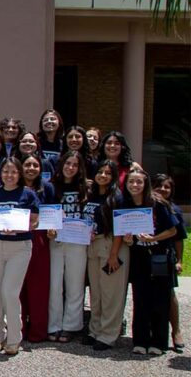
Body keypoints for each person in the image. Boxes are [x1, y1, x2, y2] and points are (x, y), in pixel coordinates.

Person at [0, 157, 39, 356]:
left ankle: (14, 338)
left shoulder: (28, 194)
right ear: (0, 174)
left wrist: (18, 226)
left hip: (20, 247)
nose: (9, 175)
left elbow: (34, 221)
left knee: (9, 291)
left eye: (13, 172)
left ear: (19, 174)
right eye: (6, 171)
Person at [122, 169, 177, 356]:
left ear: (145, 185)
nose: (135, 185)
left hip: (159, 257)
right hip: (139, 258)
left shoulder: (157, 204)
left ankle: (159, 342)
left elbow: (173, 230)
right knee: (140, 299)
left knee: (160, 300)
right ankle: (140, 340)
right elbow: (125, 236)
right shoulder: (126, 205)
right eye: (131, 182)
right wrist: (128, 240)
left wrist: (154, 238)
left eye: (139, 182)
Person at [83, 160, 127, 350]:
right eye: (100, 172)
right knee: (97, 292)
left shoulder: (117, 197)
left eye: (108, 173)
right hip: (93, 246)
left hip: (111, 246)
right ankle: (95, 330)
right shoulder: (91, 195)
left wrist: (114, 255)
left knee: (111, 293)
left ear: (114, 176)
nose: (103, 176)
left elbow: (119, 228)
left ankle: (108, 335)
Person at [48, 150, 89, 342]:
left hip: (78, 241)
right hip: (56, 240)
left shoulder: (86, 188)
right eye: (67, 164)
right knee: (55, 284)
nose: (70, 168)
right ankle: (54, 325)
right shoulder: (51, 187)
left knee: (75, 284)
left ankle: (71, 326)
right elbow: (45, 212)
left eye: (74, 165)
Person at [17, 154, 54, 344]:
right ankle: (19, 328)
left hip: (40, 238)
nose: (31, 168)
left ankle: (38, 331)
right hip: (16, 237)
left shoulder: (47, 188)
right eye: (27, 165)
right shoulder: (15, 187)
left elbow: (54, 212)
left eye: (35, 165)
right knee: (18, 286)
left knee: (39, 287)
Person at [152, 173, 185, 353]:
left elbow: (179, 238)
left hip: (166, 256)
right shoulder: (146, 206)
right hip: (146, 256)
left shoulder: (174, 210)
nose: (163, 189)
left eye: (167, 187)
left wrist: (179, 260)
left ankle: (176, 331)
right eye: (159, 185)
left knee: (169, 294)